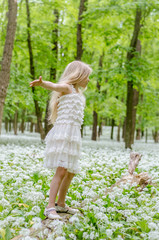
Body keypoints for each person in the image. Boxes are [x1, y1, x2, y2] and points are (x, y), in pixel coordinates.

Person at [30, 60, 92, 220]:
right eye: (87, 76)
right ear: (78, 75)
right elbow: (55, 86)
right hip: (63, 133)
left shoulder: (79, 94)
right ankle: (50, 206)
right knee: (61, 170)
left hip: (74, 135)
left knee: (70, 172)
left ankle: (61, 204)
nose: (89, 80)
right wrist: (43, 84)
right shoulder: (67, 88)